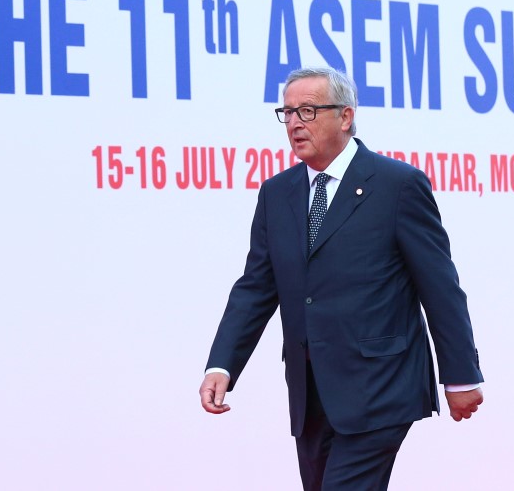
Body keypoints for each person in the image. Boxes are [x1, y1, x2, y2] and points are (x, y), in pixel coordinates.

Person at [200, 67, 484, 490]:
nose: (295, 122)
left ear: (346, 116)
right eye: (288, 112)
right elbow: (257, 286)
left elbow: (440, 287)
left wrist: (461, 375)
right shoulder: (277, 193)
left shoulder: (397, 185)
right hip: (311, 393)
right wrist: (222, 363)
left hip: (380, 387)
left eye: (309, 111)